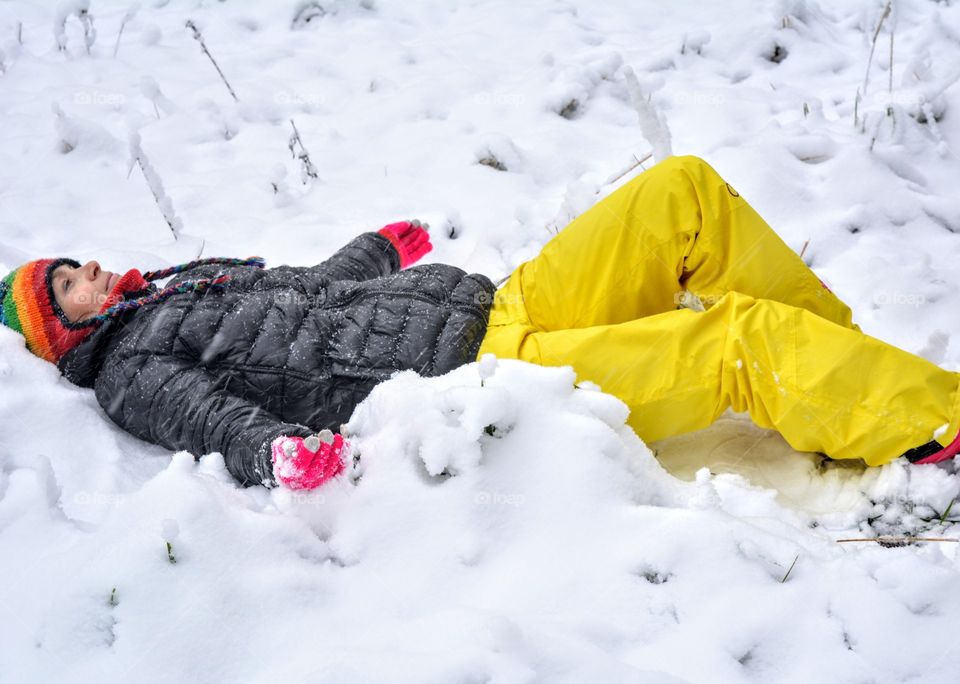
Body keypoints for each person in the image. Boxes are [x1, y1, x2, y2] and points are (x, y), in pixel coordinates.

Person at [2, 156, 958, 493]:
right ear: (61, 330)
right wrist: (280, 456)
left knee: (682, 192)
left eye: (75, 265)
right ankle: (930, 422)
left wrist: (375, 251)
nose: (90, 271)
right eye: (67, 284)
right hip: (489, 376)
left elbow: (312, 293)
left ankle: (850, 380)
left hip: (493, 303)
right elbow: (211, 422)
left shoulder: (176, 290)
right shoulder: (131, 367)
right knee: (736, 340)